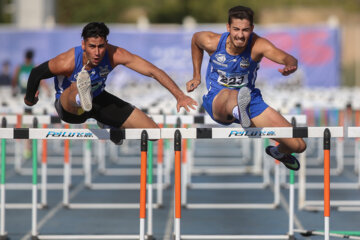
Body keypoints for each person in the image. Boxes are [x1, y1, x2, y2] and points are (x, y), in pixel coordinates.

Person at [186, 6, 306, 170]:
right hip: (218, 101)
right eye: (236, 29)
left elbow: (288, 58)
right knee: (230, 93)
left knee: (298, 145)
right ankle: (240, 114)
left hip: (250, 102)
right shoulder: (211, 41)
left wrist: (290, 65)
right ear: (228, 28)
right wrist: (196, 76)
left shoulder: (258, 45)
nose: (240, 35)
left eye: (245, 30)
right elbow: (195, 40)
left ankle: (277, 152)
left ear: (252, 29)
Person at [24, 22, 197, 132]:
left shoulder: (115, 54)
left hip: (99, 99)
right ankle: (81, 98)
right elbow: (36, 73)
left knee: (152, 131)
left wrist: (179, 95)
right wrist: (30, 99)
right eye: (92, 46)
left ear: (106, 44)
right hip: (69, 108)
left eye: (101, 46)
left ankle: (104, 117)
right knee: (78, 84)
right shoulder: (66, 61)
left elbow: (153, 71)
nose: (97, 52)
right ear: (83, 44)